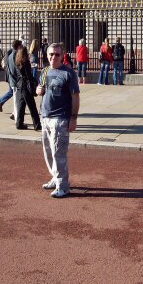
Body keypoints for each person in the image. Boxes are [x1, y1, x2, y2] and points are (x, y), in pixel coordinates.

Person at [37, 42, 80, 198]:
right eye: (51, 54)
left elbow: (75, 97)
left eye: (57, 54)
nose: (53, 57)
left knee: (58, 153)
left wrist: (73, 118)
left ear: (62, 56)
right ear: (47, 55)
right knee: (48, 152)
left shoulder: (69, 73)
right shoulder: (45, 71)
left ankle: (63, 186)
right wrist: (38, 90)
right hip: (45, 116)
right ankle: (55, 178)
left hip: (60, 118)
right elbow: (41, 89)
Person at [14, 46, 41, 131]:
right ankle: (37, 124)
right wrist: (34, 82)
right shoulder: (26, 63)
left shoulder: (17, 62)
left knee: (21, 105)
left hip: (19, 85)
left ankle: (19, 123)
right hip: (26, 85)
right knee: (32, 106)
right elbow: (29, 75)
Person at [0, 40, 22, 117]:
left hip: (10, 76)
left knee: (13, 92)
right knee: (15, 93)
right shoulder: (13, 53)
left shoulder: (11, 52)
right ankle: (14, 111)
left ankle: (16, 110)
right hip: (12, 77)